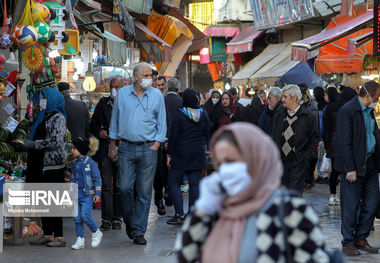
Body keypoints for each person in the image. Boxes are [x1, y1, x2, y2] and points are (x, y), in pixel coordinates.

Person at [174, 122, 331, 262]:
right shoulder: (216, 208)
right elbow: (185, 256)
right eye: (220, 163)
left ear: (256, 158)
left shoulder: (290, 209)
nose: (225, 170)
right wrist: (202, 211)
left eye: (232, 161)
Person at [109, 62, 166, 245]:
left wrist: (157, 144)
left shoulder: (157, 95)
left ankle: (139, 231)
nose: (151, 78)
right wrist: (112, 145)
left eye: (151, 75)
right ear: (137, 77)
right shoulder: (123, 95)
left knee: (143, 191)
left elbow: (161, 122)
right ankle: (129, 220)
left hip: (148, 148)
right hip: (125, 147)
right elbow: (114, 121)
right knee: (124, 187)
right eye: (147, 75)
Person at [335, 80, 380, 256]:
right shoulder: (348, 111)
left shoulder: (370, 112)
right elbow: (343, 142)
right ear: (367, 95)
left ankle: (361, 238)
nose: (377, 101)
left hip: (370, 164)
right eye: (376, 98)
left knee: (372, 202)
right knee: (350, 205)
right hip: (353, 166)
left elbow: (374, 136)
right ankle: (348, 242)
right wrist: (349, 168)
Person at [22, 87, 67, 247]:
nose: (41, 101)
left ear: (51, 99)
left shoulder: (58, 118)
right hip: (40, 164)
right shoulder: (44, 116)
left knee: (53, 202)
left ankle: (60, 237)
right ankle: (48, 234)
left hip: (52, 166)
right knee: (43, 202)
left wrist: (33, 144)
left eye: (43, 98)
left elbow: (56, 141)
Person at [166, 88, 209, 225]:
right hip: (198, 152)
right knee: (195, 184)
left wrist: (169, 154)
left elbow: (173, 136)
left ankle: (179, 214)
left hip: (181, 153)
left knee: (173, 182)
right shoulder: (203, 113)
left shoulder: (179, 115)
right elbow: (207, 133)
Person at [271, 85, 320, 195]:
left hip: (298, 163)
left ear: (294, 98)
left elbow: (315, 138)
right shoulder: (279, 114)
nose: (282, 99)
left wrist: (305, 157)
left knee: (294, 196)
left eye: (285, 97)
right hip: (281, 163)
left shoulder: (308, 116)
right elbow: (274, 134)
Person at [90, 77, 123, 231]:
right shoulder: (103, 104)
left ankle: (117, 217)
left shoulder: (126, 105)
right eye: (112, 86)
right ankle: (106, 218)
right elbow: (93, 125)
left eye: (117, 86)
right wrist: (99, 132)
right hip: (104, 150)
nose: (114, 89)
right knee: (106, 186)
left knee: (119, 186)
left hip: (122, 150)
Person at [152, 77, 183, 215]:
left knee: (160, 170)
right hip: (175, 142)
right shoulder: (181, 101)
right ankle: (169, 193)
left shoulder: (160, 100)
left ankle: (160, 198)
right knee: (172, 170)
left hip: (159, 141)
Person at [70, 137, 103, 250]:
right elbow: (72, 180)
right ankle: (80, 240)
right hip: (76, 195)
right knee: (77, 218)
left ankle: (96, 232)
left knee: (85, 215)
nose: (71, 151)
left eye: (74, 148)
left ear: (81, 149)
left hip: (88, 195)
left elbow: (97, 179)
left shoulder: (91, 163)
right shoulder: (74, 164)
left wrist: (98, 193)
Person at [322, 86, 341, 205]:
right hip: (342, 142)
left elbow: (325, 128)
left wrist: (326, 143)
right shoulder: (342, 107)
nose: (324, 97)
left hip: (332, 143)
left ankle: (333, 196)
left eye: (326, 95)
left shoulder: (328, 109)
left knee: (334, 171)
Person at [299, 83, 319, 190]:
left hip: (312, 134)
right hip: (302, 135)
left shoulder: (313, 104)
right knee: (305, 160)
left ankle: (310, 178)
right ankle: (307, 180)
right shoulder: (297, 105)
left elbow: (317, 119)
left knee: (313, 159)